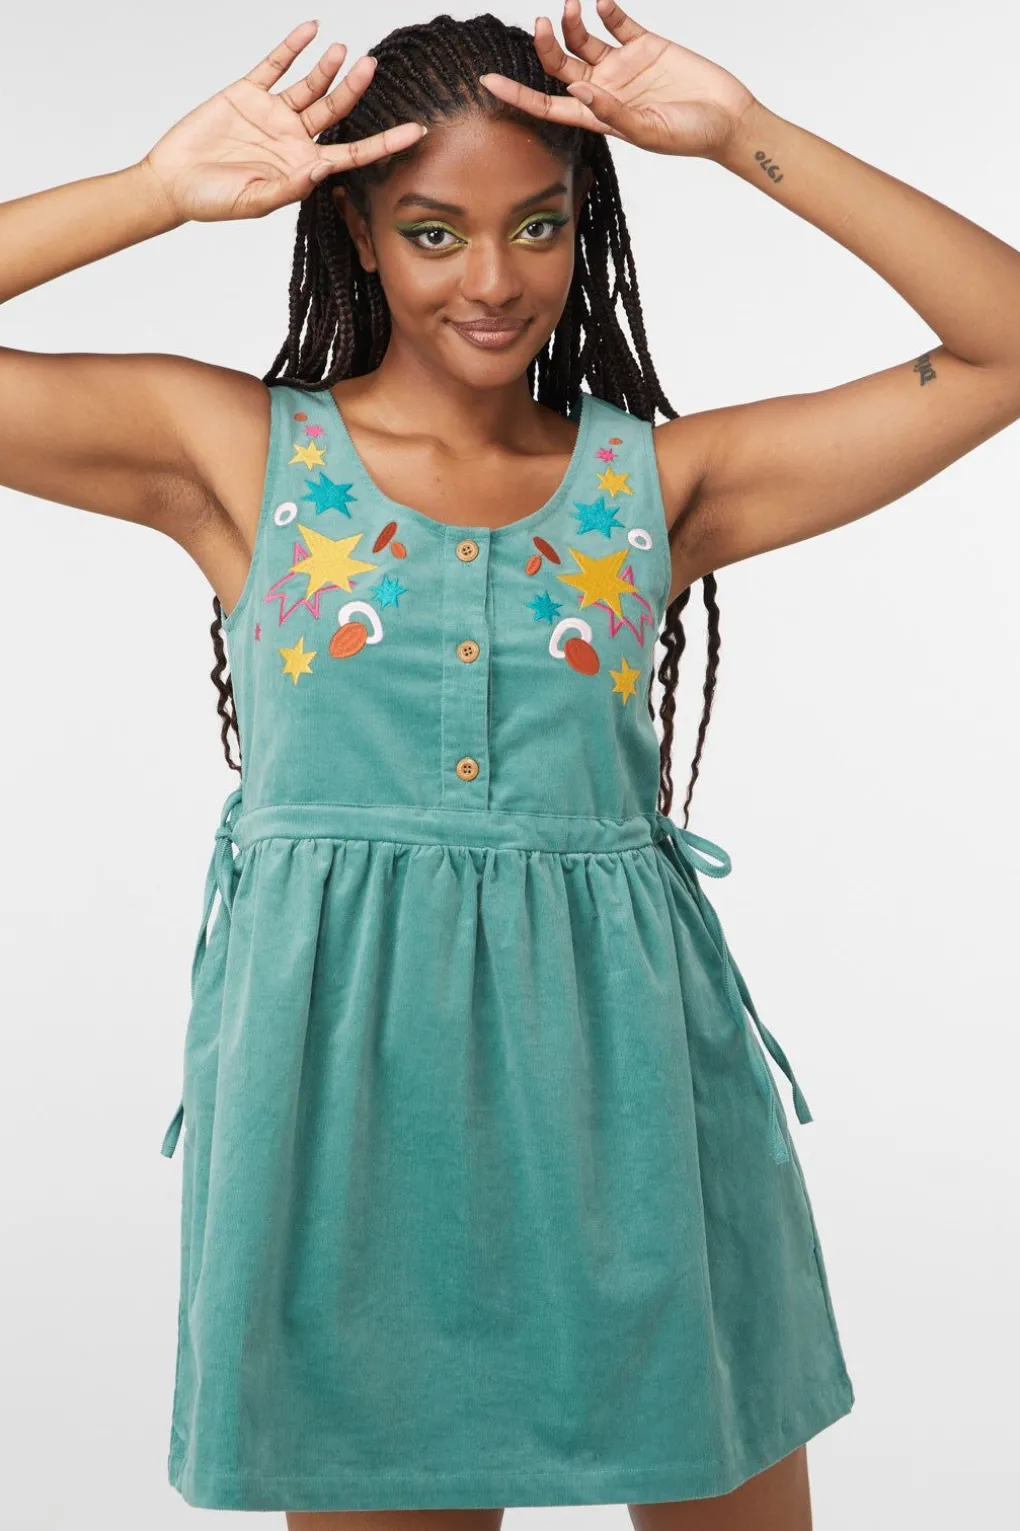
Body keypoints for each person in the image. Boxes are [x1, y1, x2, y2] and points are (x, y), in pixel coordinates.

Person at [2, 3, 1017, 1528]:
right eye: (434, 231)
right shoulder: (236, 459)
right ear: (355, 232)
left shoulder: (658, 482)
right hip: (347, 1120)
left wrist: (745, 136)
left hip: (637, 1104)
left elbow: (1005, 346)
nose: (493, 279)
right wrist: (156, 190)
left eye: (538, 225)